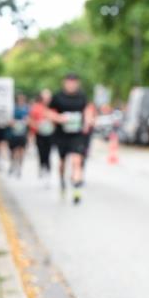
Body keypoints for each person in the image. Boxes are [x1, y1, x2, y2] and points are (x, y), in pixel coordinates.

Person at [50, 74, 90, 204]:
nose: (71, 84)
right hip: (61, 134)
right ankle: (62, 181)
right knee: (62, 162)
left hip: (77, 134)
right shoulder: (58, 97)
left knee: (76, 161)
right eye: (69, 82)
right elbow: (49, 112)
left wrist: (87, 122)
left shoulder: (82, 96)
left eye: (74, 82)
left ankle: (76, 188)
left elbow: (87, 110)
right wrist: (58, 118)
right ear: (64, 83)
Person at [29, 89, 56, 186]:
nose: (47, 99)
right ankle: (42, 168)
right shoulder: (36, 107)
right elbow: (31, 120)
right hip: (39, 134)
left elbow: (57, 119)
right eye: (45, 97)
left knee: (48, 153)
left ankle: (48, 172)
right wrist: (37, 126)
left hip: (50, 134)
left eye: (48, 97)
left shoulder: (53, 108)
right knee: (41, 152)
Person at [8, 92, 30, 177]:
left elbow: (30, 119)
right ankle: (13, 164)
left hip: (23, 133)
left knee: (21, 150)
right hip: (14, 133)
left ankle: (20, 167)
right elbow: (9, 119)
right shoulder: (13, 108)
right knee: (13, 150)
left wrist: (26, 121)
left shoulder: (26, 109)